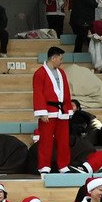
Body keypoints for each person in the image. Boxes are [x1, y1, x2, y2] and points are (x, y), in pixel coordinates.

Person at [33, 47, 75, 175]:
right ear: (53, 58)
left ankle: (63, 165)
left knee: (63, 140)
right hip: (48, 111)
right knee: (46, 140)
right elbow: (38, 93)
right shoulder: (40, 73)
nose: (61, 61)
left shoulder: (61, 73)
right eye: (60, 58)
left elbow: (66, 92)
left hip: (62, 111)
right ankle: (44, 166)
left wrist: (68, 108)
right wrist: (42, 112)